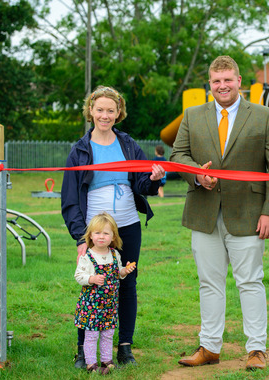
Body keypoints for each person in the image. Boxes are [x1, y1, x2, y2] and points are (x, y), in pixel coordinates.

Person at [170, 55, 269, 370]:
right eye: (216, 81)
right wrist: (197, 174)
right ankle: (209, 347)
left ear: (238, 81)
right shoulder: (193, 115)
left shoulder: (264, 115)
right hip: (203, 212)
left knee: (250, 281)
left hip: (249, 214)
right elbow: (178, 154)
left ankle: (256, 350)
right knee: (209, 282)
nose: (222, 86)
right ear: (210, 84)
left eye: (228, 80)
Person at [61, 85, 165, 368]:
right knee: (92, 287)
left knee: (127, 282)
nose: (105, 115)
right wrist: (81, 238)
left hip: (128, 226)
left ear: (119, 112)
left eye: (111, 110)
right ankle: (84, 351)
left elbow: (143, 183)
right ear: (90, 111)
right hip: (95, 233)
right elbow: (70, 199)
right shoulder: (80, 150)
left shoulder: (129, 145)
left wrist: (154, 178)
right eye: (99, 110)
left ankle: (124, 348)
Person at [74, 212, 137, 374]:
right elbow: (78, 276)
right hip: (92, 306)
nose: (101, 237)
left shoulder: (114, 255)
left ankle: (106, 360)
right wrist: (92, 278)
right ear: (90, 236)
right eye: (97, 233)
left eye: (106, 233)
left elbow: (119, 274)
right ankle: (91, 363)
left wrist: (125, 270)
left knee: (108, 334)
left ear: (113, 237)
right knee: (92, 335)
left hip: (109, 305)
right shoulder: (87, 256)